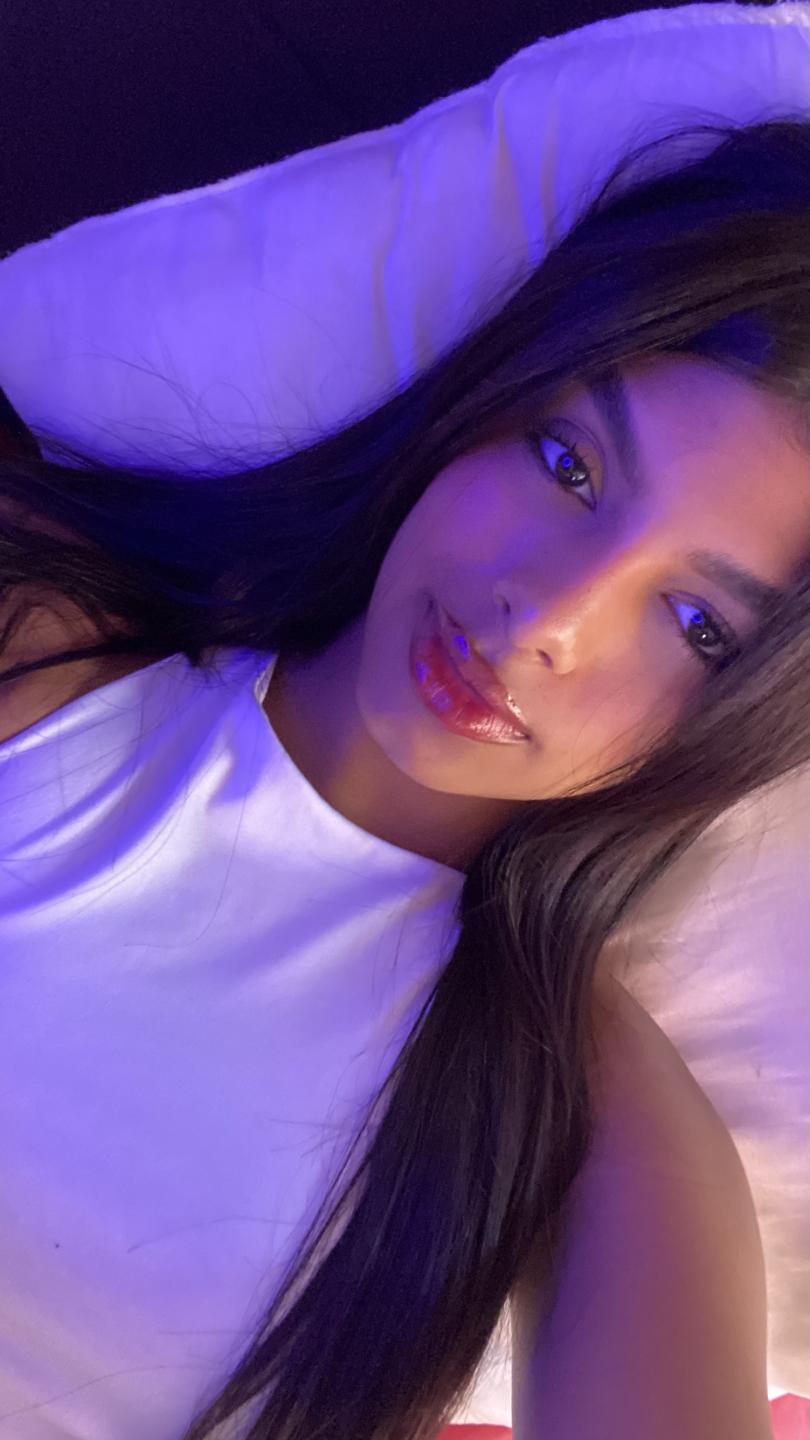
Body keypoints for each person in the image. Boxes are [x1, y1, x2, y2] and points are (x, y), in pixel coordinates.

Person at [0, 117, 807, 1439]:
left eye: (694, 624)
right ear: (484, 404)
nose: (548, 615)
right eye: (569, 464)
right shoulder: (52, 644)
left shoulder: (579, 1116)